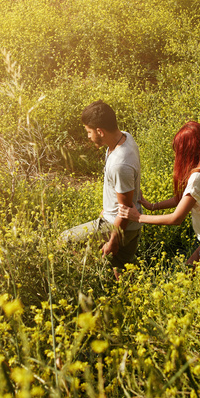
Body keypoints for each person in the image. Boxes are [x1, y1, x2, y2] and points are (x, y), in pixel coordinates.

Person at [118, 121, 200, 273]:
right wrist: (152, 206)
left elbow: (176, 219)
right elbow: (185, 199)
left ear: (188, 150)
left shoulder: (199, 176)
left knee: (199, 285)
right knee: (191, 274)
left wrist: (138, 217)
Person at [59, 100, 142, 274]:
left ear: (100, 131)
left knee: (64, 240)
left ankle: (87, 273)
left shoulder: (120, 163)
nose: (88, 137)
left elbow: (125, 209)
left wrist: (113, 239)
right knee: (121, 272)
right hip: (130, 226)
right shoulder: (125, 137)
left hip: (118, 226)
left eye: (89, 132)